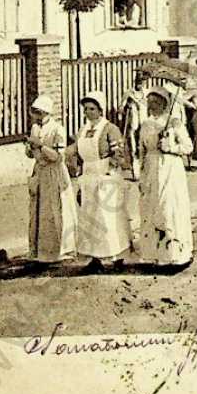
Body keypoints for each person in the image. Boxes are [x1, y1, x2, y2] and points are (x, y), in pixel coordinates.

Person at [63, 91, 131, 274]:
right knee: (89, 218)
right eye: (85, 109)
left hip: (106, 176)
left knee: (108, 218)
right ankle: (94, 257)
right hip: (88, 176)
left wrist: (111, 168)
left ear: (100, 110)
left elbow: (119, 151)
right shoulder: (83, 130)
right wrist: (73, 164)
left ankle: (116, 256)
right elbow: (77, 151)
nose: (88, 112)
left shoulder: (110, 129)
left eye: (92, 108)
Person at [139, 87, 194, 271]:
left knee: (169, 208)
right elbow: (142, 150)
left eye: (156, 102)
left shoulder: (174, 123)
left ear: (165, 103)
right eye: (150, 102)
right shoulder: (146, 124)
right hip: (151, 168)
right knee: (152, 208)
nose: (152, 105)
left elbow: (188, 147)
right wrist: (141, 174)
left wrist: (171, 147)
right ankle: (152, 256)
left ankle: (174, 256)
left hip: (170, 169)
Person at [25, 95, 78, 265]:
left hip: (54, 173)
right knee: (38, 211)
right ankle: (40, 250)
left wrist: (40, 145)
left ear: (47, 112)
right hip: (40, 172)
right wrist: (30, 147)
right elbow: (30, 154)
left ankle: (60, 249)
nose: (37, 117)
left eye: (40, 113)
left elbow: (58, 157)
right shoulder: (34, 128)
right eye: (35, 113)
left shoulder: (57, 129)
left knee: (55, 209)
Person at [120, 70, 148, 180]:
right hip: (133, 124)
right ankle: (134, 170)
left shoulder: (146, 93)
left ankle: (144, 169)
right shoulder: (129, 93)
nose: (140, 84)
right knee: (133, 148)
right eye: (138, 81)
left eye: (142, 82)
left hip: (144, 123)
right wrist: (127, 105)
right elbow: (120, 109)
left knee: (143, 147)